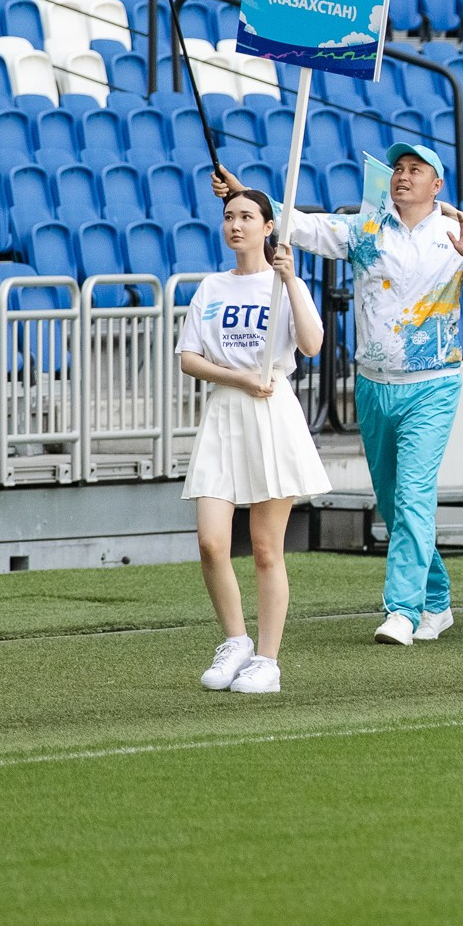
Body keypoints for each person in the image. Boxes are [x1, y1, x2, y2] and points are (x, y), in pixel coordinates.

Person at [217, 143, 463, 646]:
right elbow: (302, 227)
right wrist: (248, 193)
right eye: (398, 168)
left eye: (415, 170)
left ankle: (401, 610)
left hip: (432, 383)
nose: (403, 176)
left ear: (436, 185)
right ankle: (437, 602)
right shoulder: (366, 227)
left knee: (414, 496)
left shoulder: (455, 235)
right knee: (397, 503)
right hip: (374, 384)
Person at [179, 186, 328, 695]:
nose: (236, 225)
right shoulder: (212, 287)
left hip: (272, 415)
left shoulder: (286, 283)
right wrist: (237, 378)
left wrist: (289, 280)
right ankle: (235, 640)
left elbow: (310, 344)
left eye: (247, 217)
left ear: (270, 228)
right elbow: (189, 358)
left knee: (266, 548)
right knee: (211, 541)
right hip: (226, 411)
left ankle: (268, 659)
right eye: (228, 216)